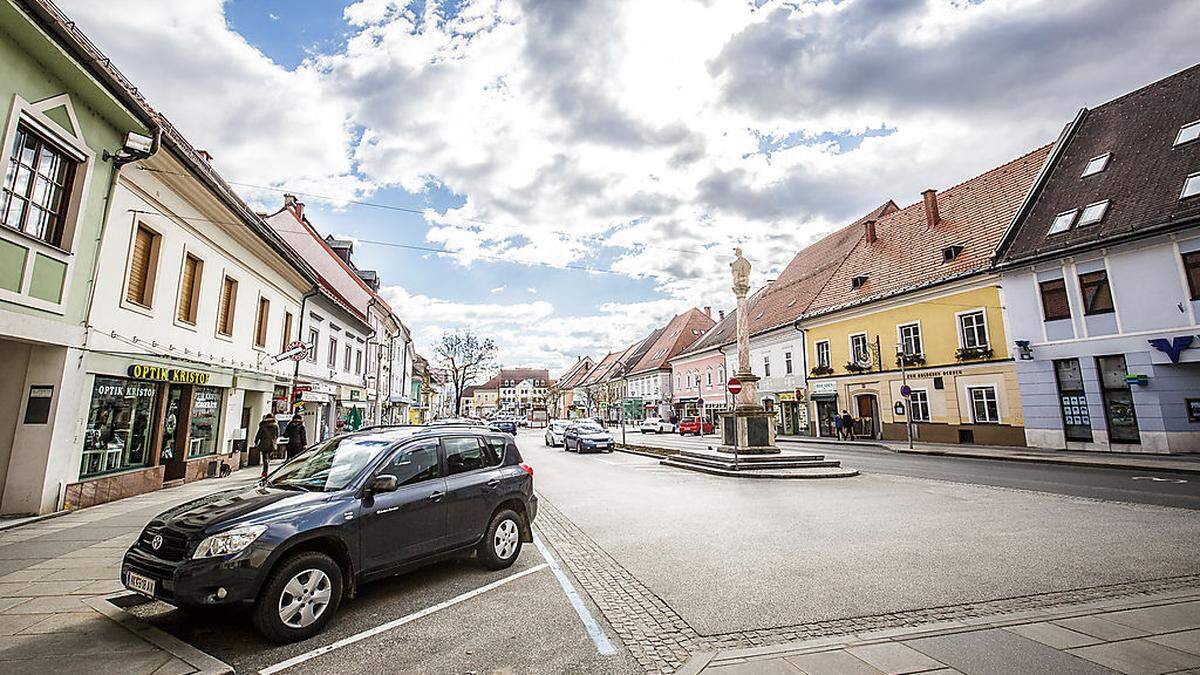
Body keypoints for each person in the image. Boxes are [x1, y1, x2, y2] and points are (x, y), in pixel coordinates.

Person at [253, 413, 278, 478]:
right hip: (272, 444)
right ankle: (267, 466)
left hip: (264, 444)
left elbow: (258, 434)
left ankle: (265, 472)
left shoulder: (263, 426)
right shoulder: (275, 426)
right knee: (268, 457)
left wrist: (256, 442)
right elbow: (277, 435)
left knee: (265, 458)